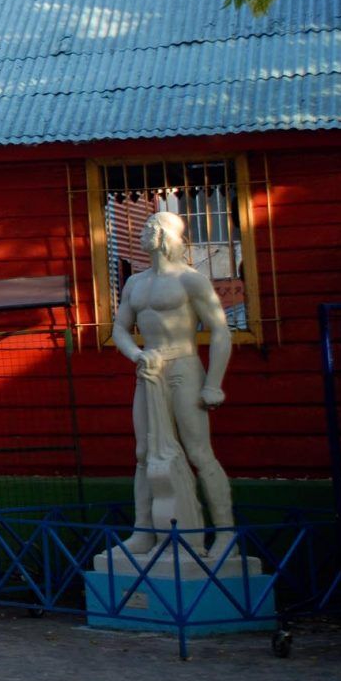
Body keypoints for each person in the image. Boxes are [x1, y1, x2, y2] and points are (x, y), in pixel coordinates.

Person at [110, 209, 234, 551]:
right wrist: (136, 355)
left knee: (198, 451)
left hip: (183, 365)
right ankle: (144, 529)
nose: (146, 230)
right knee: (144, 451)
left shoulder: (189, 279)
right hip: (148, 368)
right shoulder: (135, 282)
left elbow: (221, 330)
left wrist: (213, 382)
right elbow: (119, 329)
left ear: (167, 234)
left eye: (153, 226)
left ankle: (224, 532)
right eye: (147, 224)